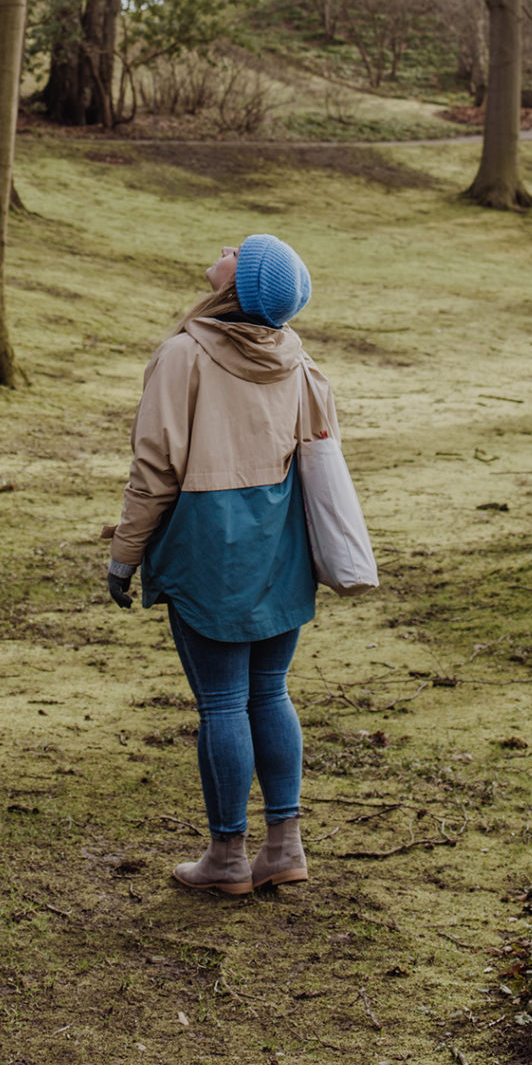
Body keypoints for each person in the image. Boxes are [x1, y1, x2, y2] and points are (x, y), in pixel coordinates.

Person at [104, 232, 336, 897]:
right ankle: (284, 847)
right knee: (270, 691)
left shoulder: (183, 355)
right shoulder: (297, 359)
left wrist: (123, 559)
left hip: (211, 546)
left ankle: (227, 858)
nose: (223, 248)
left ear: (241, 283)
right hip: (281, 543)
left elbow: (153, 471)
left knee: (224, 701)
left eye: (238, 248)